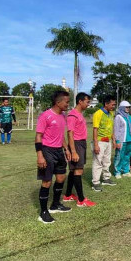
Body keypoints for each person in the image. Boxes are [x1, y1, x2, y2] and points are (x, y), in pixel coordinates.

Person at [35, 90, 72, 224]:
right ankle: (43, 212)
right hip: (47, 151)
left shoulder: (63, 116)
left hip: (59, 151)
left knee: (61, 177)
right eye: (66, 102)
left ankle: (55, 204)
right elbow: (38, 136)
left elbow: (60, 135)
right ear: (58, 102)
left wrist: (66, 149)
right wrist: (40, 156)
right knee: (47, 181)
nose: (68, 104)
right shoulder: (46, 116)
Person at [63, 92, 96, 207]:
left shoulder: (79, 114)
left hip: (81, 144)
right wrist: (73, 151)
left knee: (73, 170)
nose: (88, 104)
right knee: (78, 171)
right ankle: (81, 200)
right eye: (87, 102)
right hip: (76, 144)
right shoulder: (73, 115)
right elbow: (70, 134)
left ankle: (67, 195)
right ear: (80, 101)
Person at [91, 95, 117, 192]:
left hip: (108, 141)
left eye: (114, 104)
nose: (113, 106)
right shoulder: (98, 114)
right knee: (98, 162)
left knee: (107, 161)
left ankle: (106, 178)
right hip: (100, 141)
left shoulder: (111, 113)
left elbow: (111, 128)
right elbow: (95, 129)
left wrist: (113, 140)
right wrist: (96, 144)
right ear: (106, 104)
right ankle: (95, 182)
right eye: (112, 104)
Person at [114, 101, 131, 178]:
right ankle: (117, 171)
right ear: (122, 108)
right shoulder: (118, 117)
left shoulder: (129, 117)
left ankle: (126, 171)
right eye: (126, 107)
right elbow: (116, 129)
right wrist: (117, 141)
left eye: (128, 107)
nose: (128, 108)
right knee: (119, 156)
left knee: (127, 156)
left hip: (129, 139)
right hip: (121, 140)